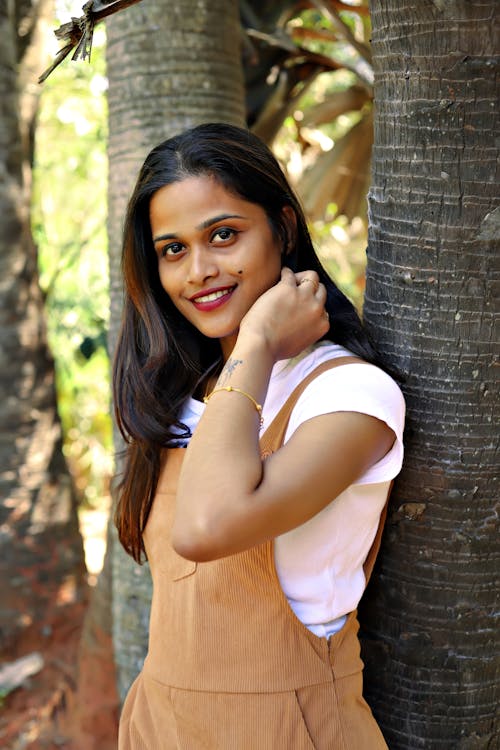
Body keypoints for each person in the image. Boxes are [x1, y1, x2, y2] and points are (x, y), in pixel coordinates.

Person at [114, 122, 405, 749]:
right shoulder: (185, 398)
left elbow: (206, 529)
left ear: (284, 228)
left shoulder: (349, 395)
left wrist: (258, 340)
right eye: (172, 250)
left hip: (287, 732)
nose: (199, 271)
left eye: (224, 235)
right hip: (162, 728)